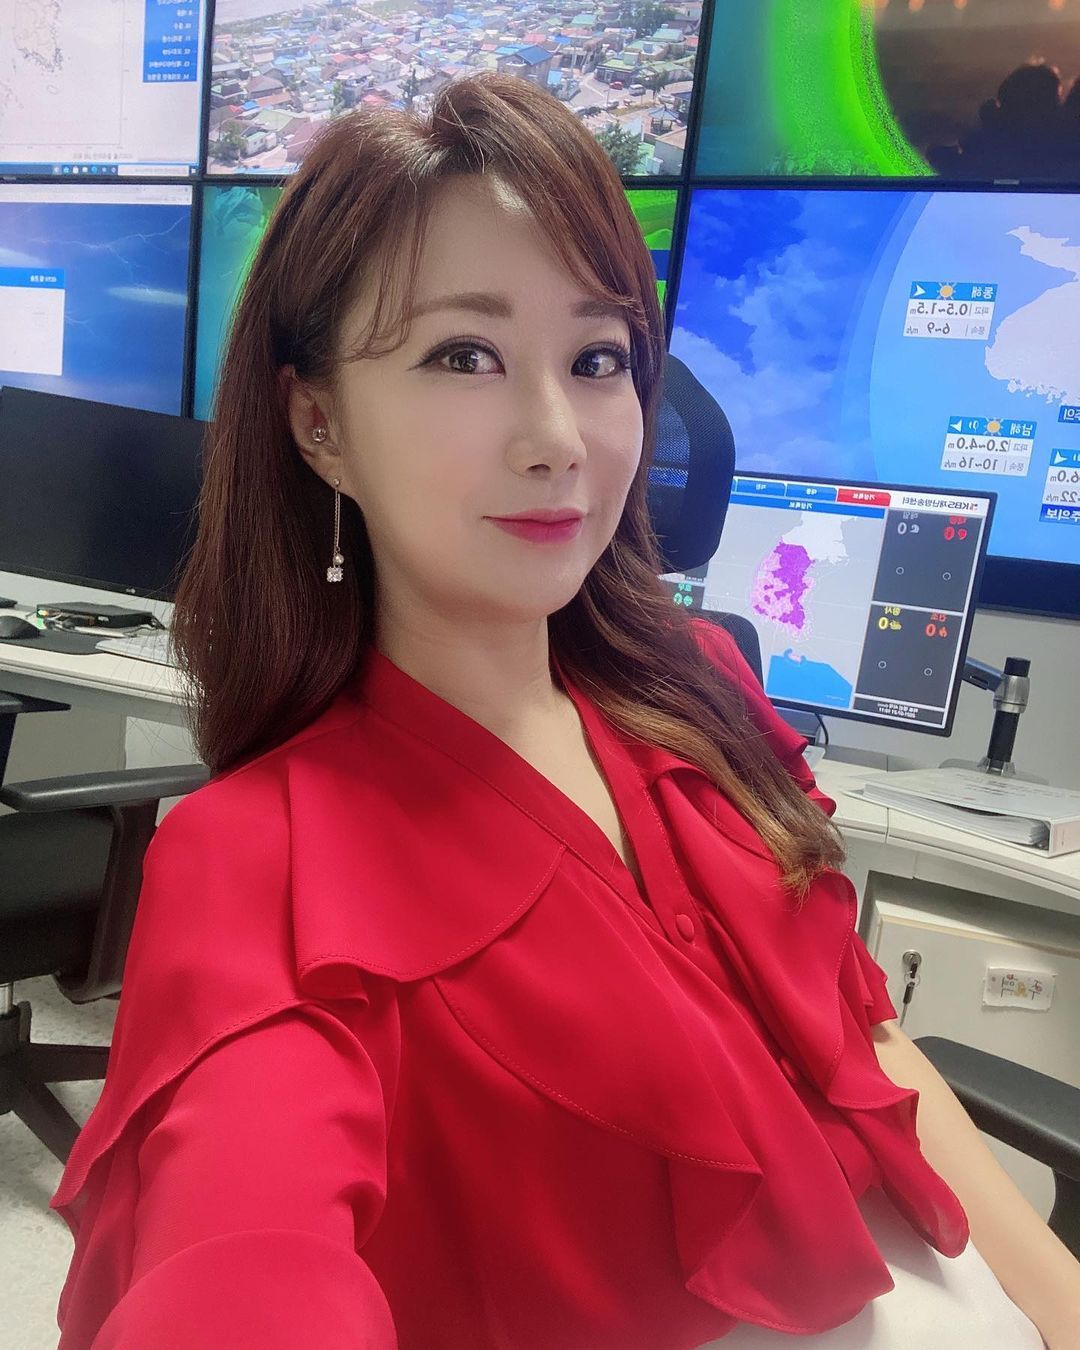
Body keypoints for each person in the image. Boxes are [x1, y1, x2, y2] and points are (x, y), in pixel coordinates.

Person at [50, 73, 1079, 1349]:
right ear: (319, 424)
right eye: (463, 356)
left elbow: (867, 1043)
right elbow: (241, 1247)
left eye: (597, 360)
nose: (558, 438)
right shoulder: (261, 858)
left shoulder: (698, 690)